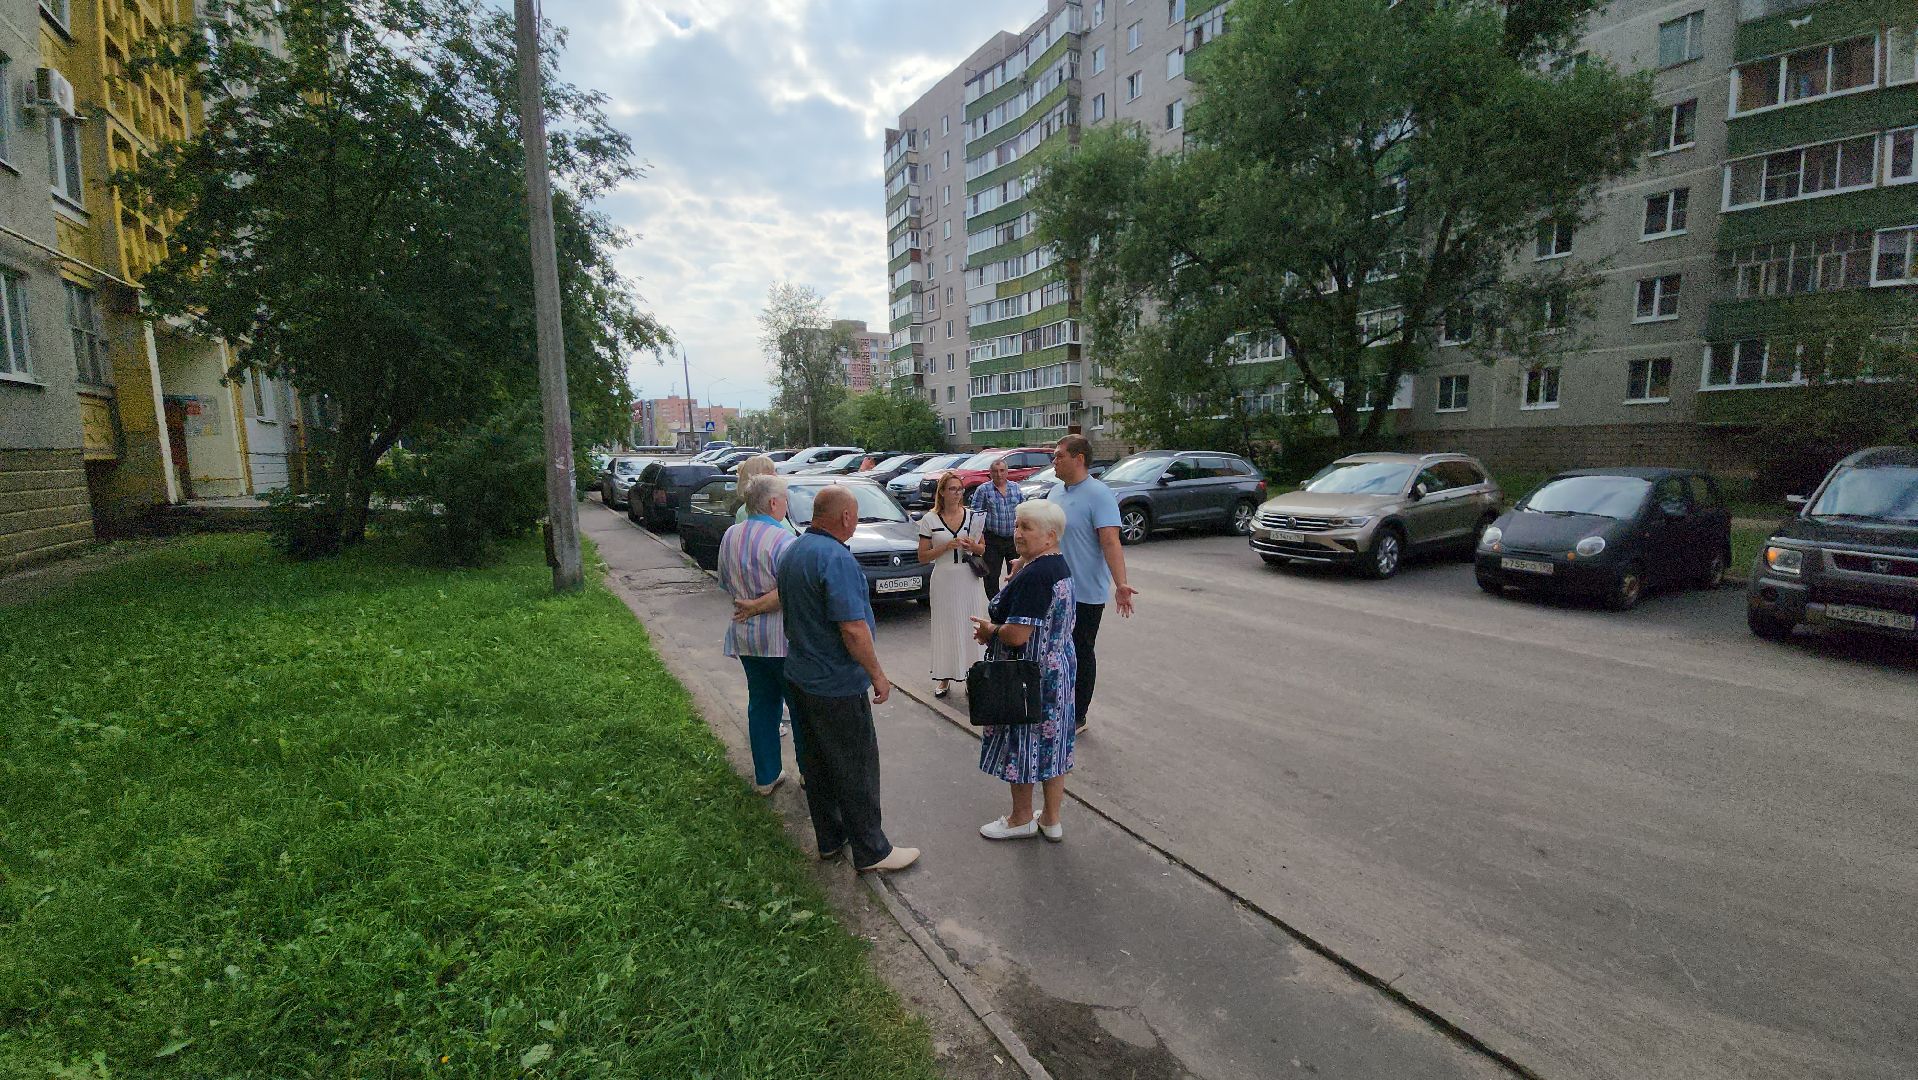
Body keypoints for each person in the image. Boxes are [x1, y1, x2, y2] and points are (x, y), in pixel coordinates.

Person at [776, 485, 920, 873]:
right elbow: (853, 629)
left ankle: (830, 839)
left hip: (801, 676)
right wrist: (878, 675)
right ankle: (872, 851)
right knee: (855, 766)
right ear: (844, 517)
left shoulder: (795, 549)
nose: (856, 521)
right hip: (835, 683)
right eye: (855, 514)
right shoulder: (835, 558)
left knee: (818, 763)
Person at [969, 500, 1076, 841]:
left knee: (1024, 744)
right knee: (1053, 744)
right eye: (1017, 526)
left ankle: (1020, 819)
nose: (1017, 534)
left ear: (1050, 535)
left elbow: (1017, 634)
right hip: (1056, 671)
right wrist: (1022, 568)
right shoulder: (1056, 565)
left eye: (1026, 527)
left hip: (1027, 676)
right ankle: (1052, 820)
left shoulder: (1037, 576)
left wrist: (989, 631)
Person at [1048, 435, 1137, 734]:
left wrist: (1121, 584)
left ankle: (1078, 715)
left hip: (1086, 592)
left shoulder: (1099, 494)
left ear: (1079, 459)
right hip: (1055, 589)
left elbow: (1110, 541)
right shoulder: (1054, 494)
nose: (1054, 461)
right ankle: (1057, 704)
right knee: (1054, 651)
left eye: (1059, 456)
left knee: (1080, 652)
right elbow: (1048, 541)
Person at [717, 475, 801, 794]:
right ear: (773, 503)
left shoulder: (731, 535)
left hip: (747, 638)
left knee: (762, 704)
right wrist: (758, 605)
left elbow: (725, 581)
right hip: (782, 639)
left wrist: (749, 604)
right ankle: (808, 773)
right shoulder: (785, 539)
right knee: (799, 708)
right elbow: (792, 591)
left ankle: (766, 776)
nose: (787, 505)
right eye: (785, 500)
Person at [917, 470, 988, 698]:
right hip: (944, 578)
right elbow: (923, 556)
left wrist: (971, 546)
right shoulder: (930, 519)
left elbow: (982, 548)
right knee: (945, 627)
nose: (957, 493)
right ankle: (944, 677)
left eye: (960, 489)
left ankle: (971, 676)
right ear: (942, 492)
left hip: (967, 577)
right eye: (952, 489)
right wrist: (945, 547)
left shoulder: (972, 516)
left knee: (970, 627)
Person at [968, 458, 1024, 598]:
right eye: (995, 471)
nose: (999, 474)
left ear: (1007, 472)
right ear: (990, 473)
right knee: (991, 577)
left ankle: (1012, 605)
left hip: (1013, 539)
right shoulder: (983, 490)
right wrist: (977, 541)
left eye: (1002, 471)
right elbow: (976, 516)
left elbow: (1023, 512)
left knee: (1017, 574)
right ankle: (996, 606)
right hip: (993, 540)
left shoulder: (1015, 488)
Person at [733, 455, 793, 530]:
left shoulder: (768, 507)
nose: (776, 475)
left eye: (775, 471)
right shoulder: (748, 512)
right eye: (771, 472)